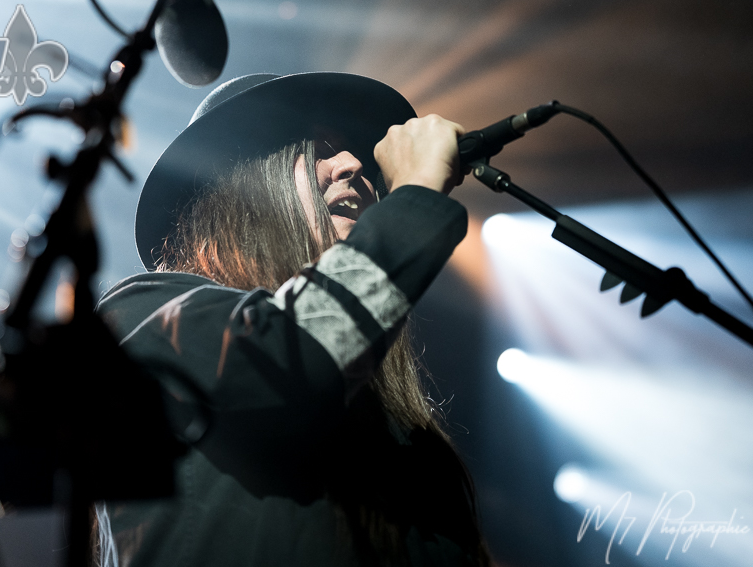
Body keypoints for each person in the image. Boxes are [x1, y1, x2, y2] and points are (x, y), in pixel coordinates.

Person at [95, 72, 491, 567]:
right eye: (321, 149)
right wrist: (415, 195)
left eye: (354, 153)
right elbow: (287, 361)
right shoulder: (142, 316)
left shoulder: (405, 442)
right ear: (245, 188)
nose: (352, 165)